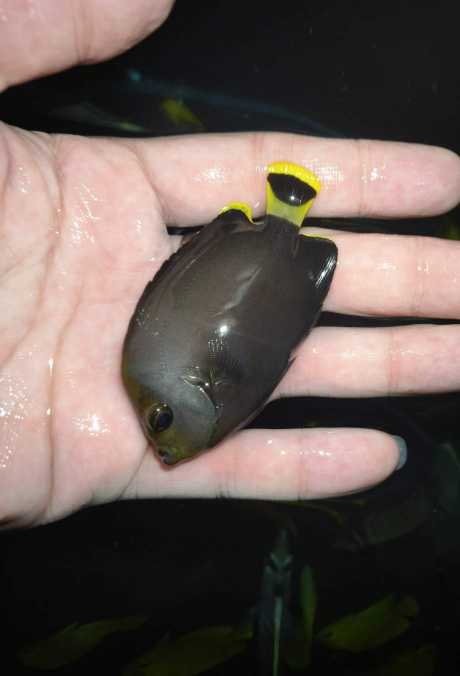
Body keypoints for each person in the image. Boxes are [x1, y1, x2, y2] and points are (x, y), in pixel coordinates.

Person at [0, 0, 459, 529]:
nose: (163, 449)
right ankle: (282, 222)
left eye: (161, 422)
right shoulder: (142, 373)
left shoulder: (142, 373)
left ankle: (280, 223)